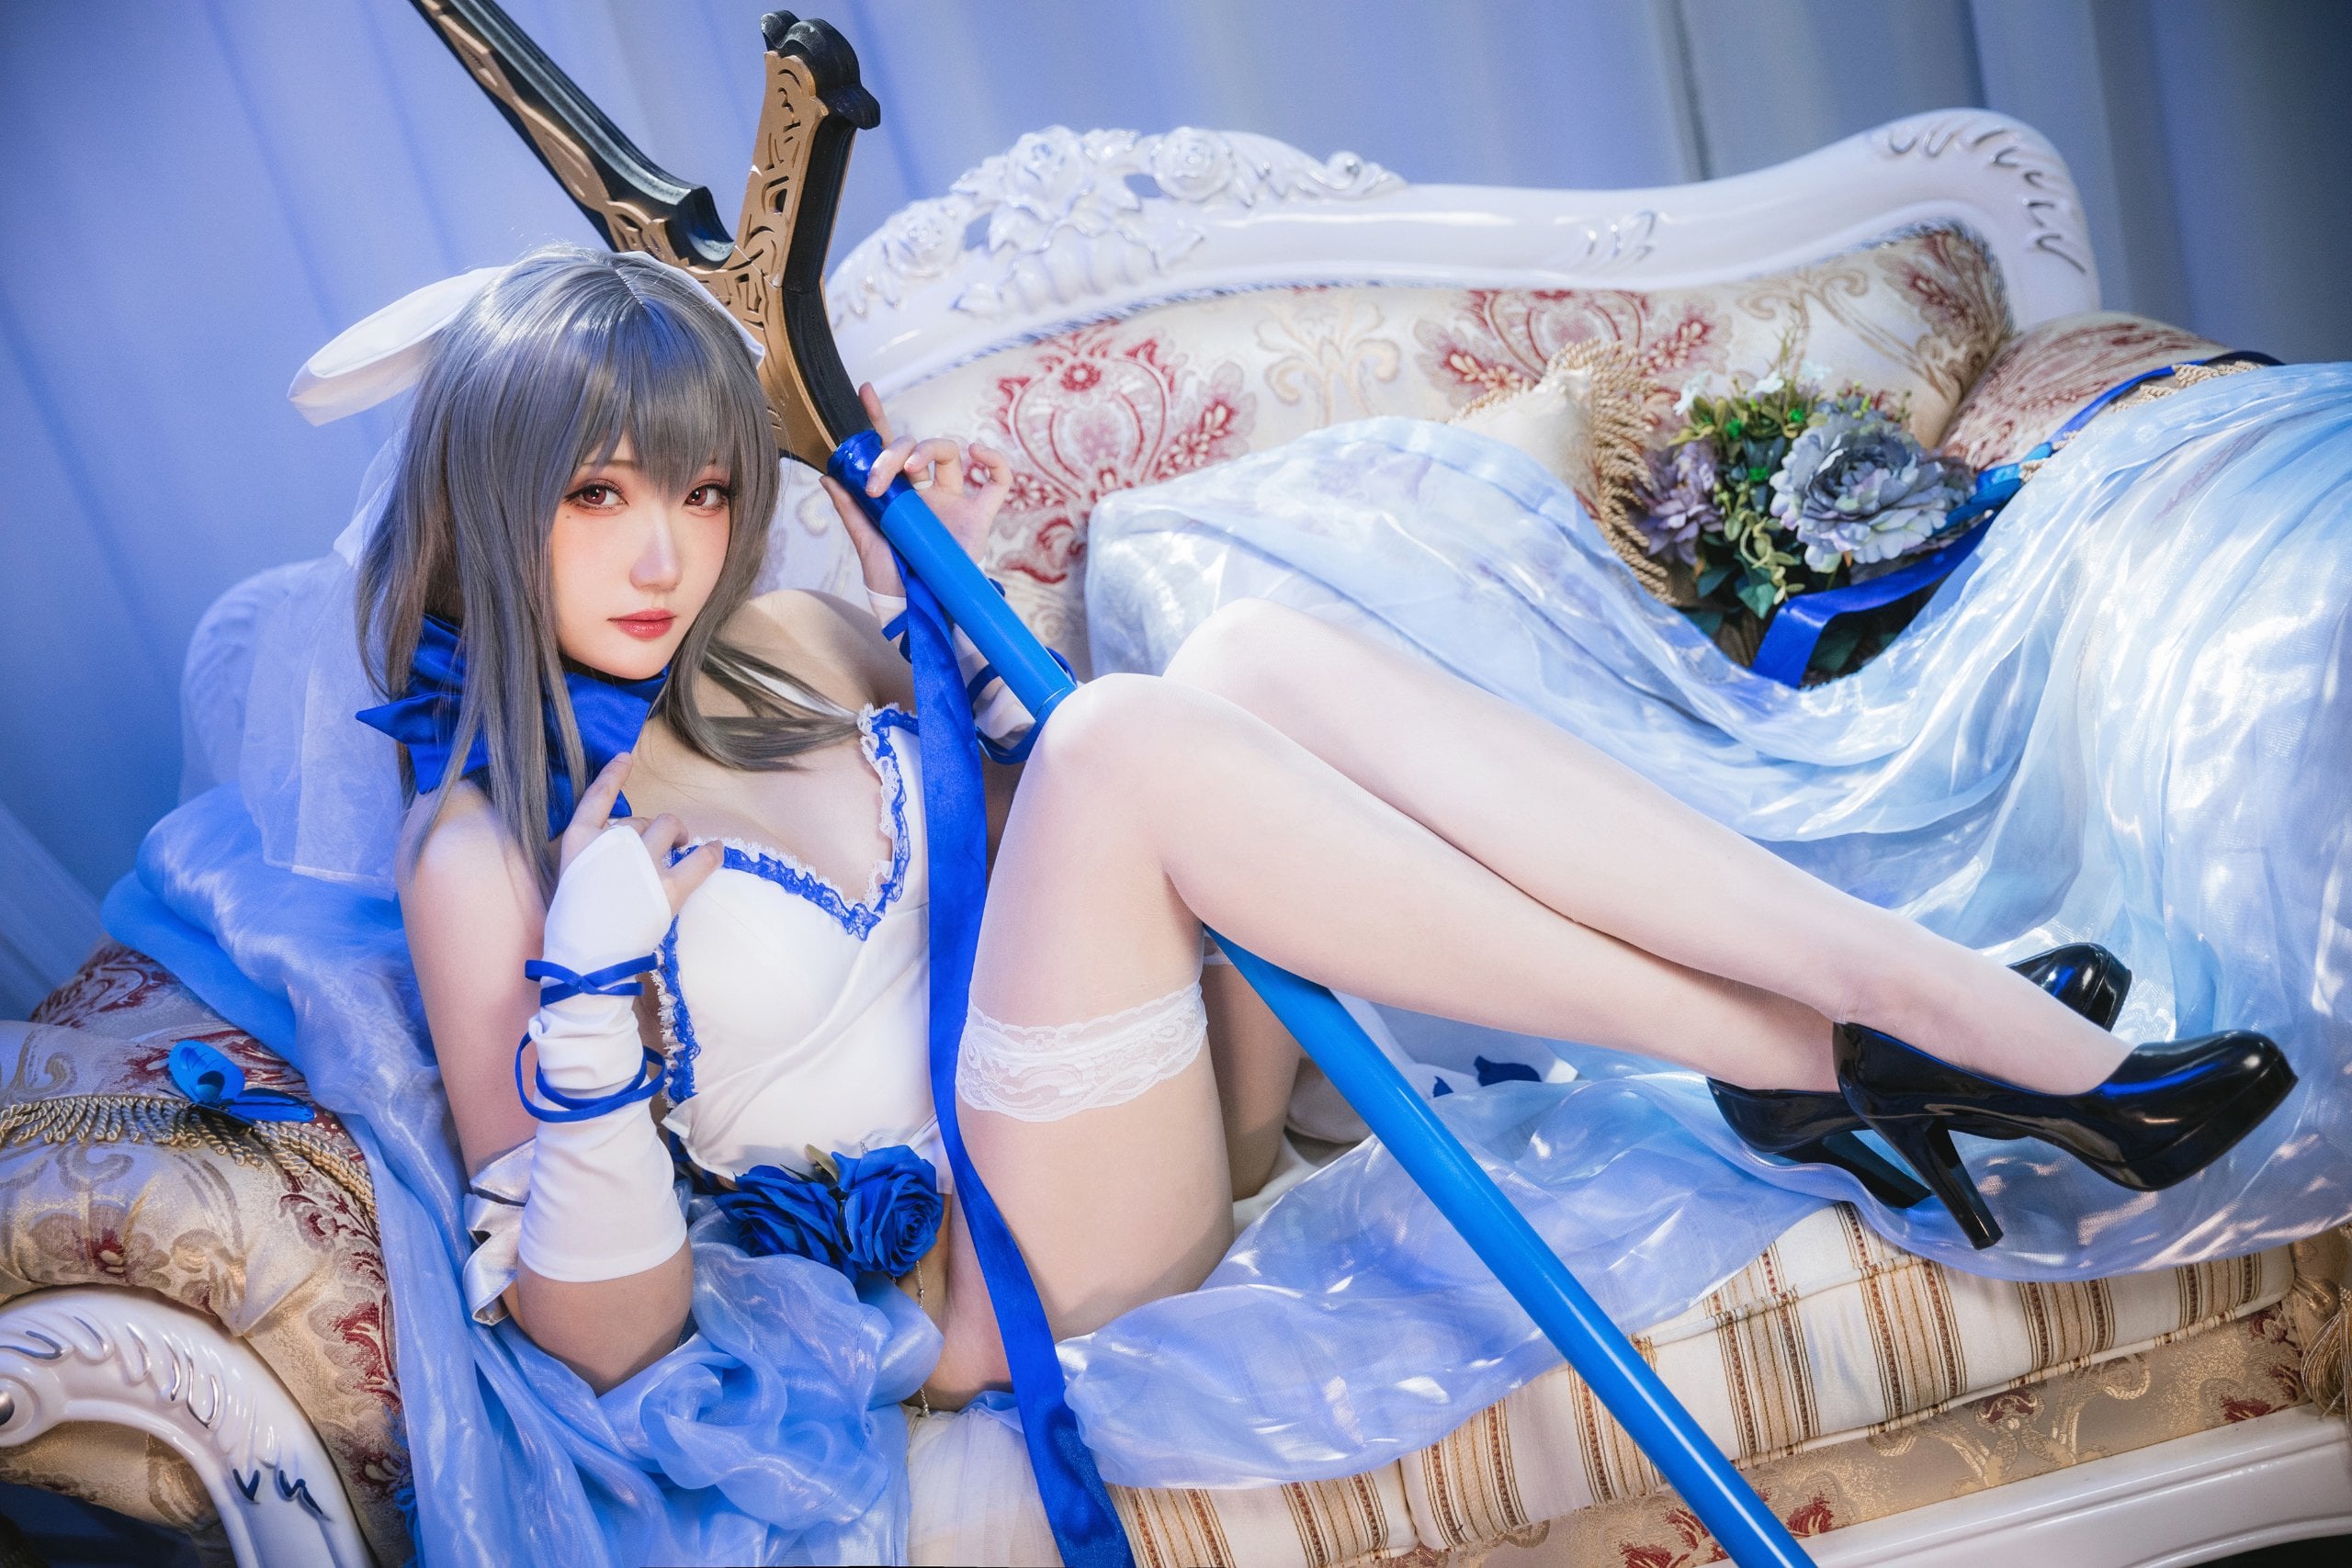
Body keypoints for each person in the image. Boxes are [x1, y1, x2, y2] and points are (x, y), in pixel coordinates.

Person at [366, 243, 2290, 1408]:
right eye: (598, 493)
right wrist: (592, 999)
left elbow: (1026, 876)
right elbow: (603, 1349)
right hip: (983, 1287)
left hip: (1143, 1104)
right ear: (491, 496)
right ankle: (1840, 1039)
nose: (662, 553)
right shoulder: (483, 856)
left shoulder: (792, 645)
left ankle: (1874, 996)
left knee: (1242, 658)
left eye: (701, 492)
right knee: (1134, 737)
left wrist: (933, 628)